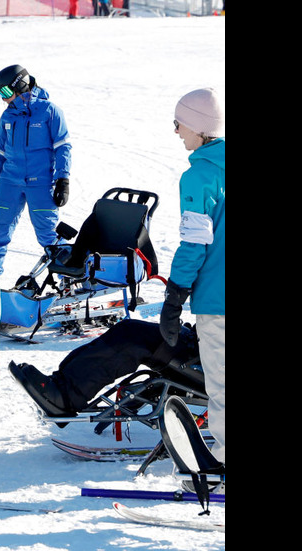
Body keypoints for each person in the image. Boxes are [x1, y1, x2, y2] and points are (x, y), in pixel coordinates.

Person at [160, 88, 225, 464]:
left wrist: (174, 296)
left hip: (218, 300)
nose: (176, 132)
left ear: (198, 128)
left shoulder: (199, 176)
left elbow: (194, 244)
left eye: (179, 123)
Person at [0, 64, 72, 280]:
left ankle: (68, 280)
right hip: (9, 182)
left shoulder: (50, 112)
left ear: (20, 85)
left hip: (39, 182)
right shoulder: (7, 117)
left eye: (5, 92)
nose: (3, 99)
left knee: (49, 236)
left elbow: (63, 147)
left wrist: (62, 179)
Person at [9, 320, 200, 418]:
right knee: (129, 329)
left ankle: (66, 396)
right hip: (206, 344)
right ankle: (62, 385)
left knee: (133, 341)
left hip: (209, 361)